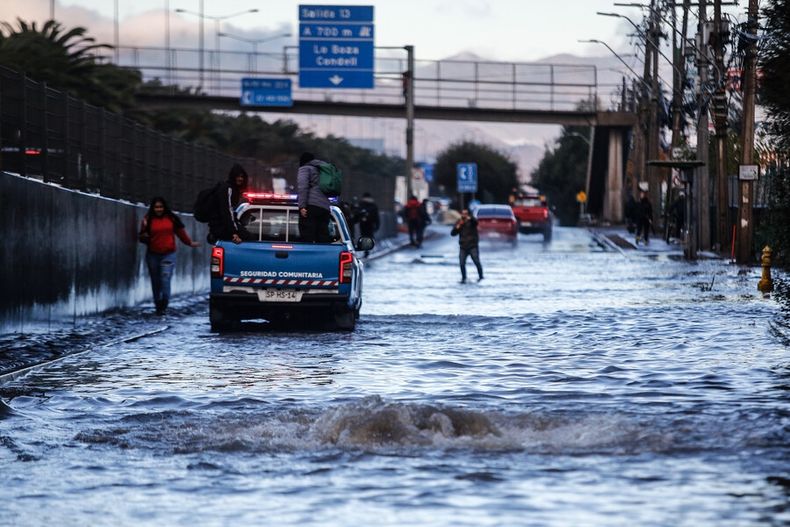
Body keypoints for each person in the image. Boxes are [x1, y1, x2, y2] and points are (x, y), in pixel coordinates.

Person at [139, 197, 200, 315]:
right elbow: (142, 236)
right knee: (155, 281)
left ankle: (164, 302)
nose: (159, 209)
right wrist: (144, 235)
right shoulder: (148, 220)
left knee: (165, 278)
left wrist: (189, 243)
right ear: (153, 208)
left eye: (161, 207)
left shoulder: (171, 219)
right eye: (156, 207)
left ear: (165, 207)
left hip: (168, 254)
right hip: (153, 254)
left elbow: (181, 233)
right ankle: (158, 304)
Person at [207, 163, 248, 244]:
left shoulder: (231, 188)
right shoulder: (228, 189)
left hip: (220, 226)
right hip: (220, 227)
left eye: (242, 177)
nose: (240, 179)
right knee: (248, 236)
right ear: (233, 176)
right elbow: (227, 212)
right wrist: (233, 233)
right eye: (238, 176)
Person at [297, 152, 332, 243]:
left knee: (307, 234)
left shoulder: (305, 169)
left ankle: (307, 251)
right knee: (322, 234)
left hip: (311, 206)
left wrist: (302, 206)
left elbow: (303, 187)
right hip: (325, 207)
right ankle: (323, 250)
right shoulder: (322, 170)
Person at [450, 208, 484, 284]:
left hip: (472, 246)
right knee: (462, 263)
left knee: (477, 262)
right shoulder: (459, 222)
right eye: (463, 214)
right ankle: (464, 278)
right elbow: (452, 233)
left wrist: (470, 218)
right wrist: (458, 226)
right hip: (463, 247)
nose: (464, 215)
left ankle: (481, 276)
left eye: (466, 214)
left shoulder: (472, 221)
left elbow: (476, 222)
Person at [357, 192, 380, 257]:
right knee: (369, 236)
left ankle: (366, 250)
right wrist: (377, 225)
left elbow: (358, 214)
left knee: (364, 236)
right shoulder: (373, 205)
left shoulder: (361, 204)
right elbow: (376, 217)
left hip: (363, 224)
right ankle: (367, 250)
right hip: (370, 224)